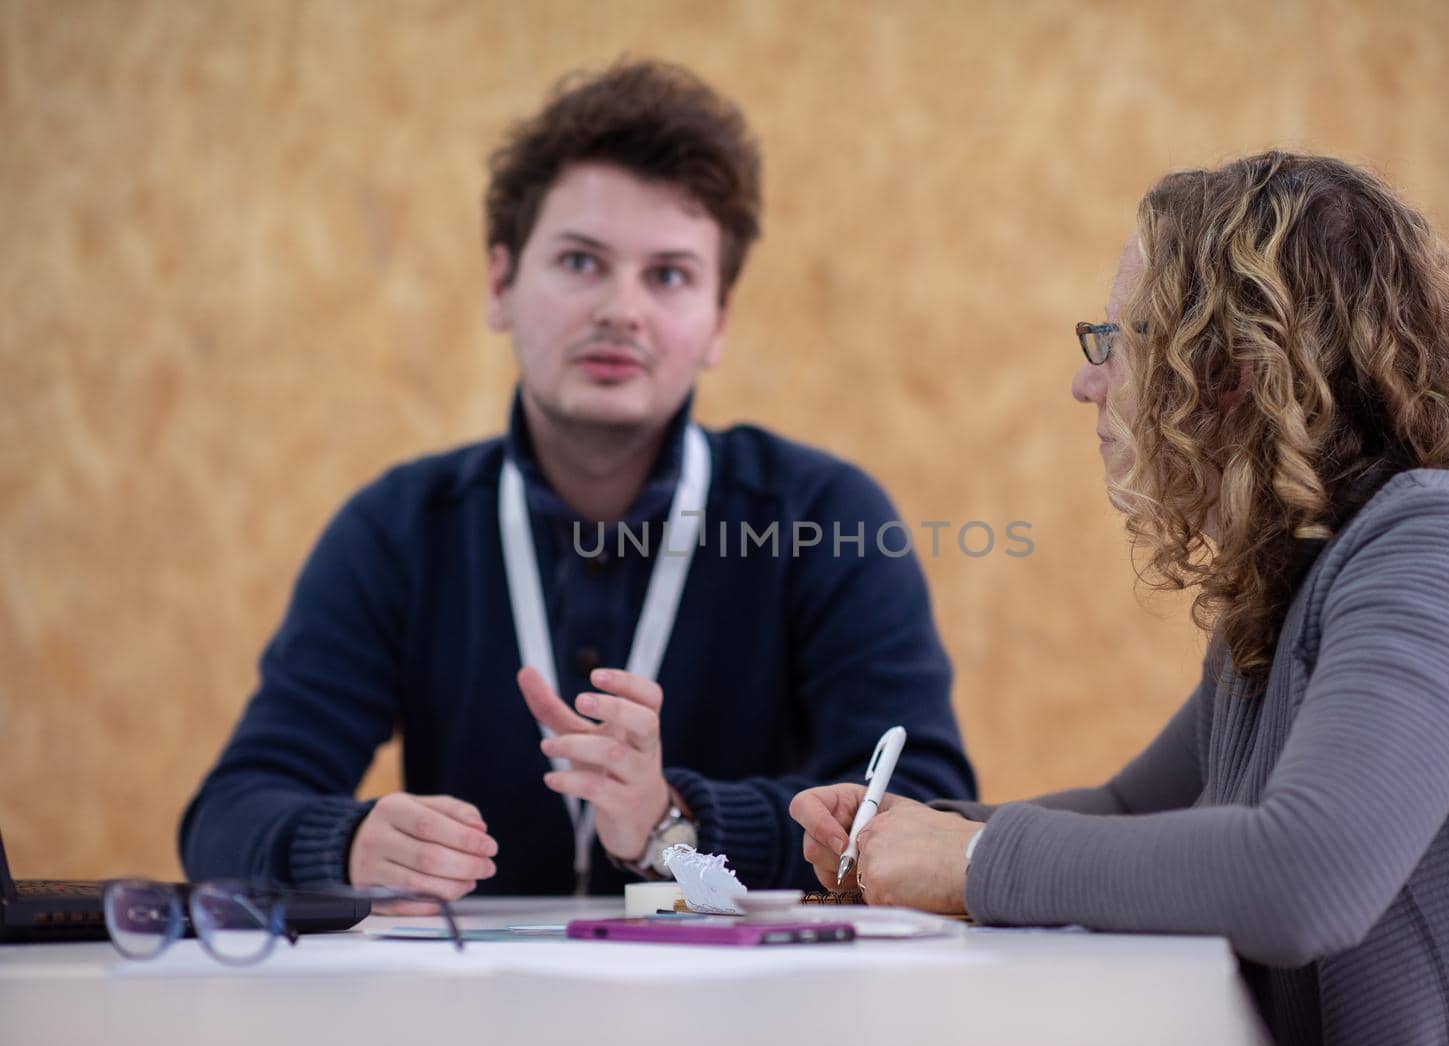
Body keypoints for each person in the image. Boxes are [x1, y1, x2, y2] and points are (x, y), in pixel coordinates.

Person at [792, 152, 1449, 1046]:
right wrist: (901, 832)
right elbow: (1129, 809)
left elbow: (1305, 877)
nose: (1087, 383)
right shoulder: (1299, 569)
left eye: (1116, 339)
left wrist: (972, 864)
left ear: (1233, 367)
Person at [181, 59, 974, 906]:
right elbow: (229, 813)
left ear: (718, 324)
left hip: (748, 1022)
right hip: (476, 1023)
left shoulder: (824, 515)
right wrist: (340, 844)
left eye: (668, 275)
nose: (620, 310)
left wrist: (677, 822)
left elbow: (923, 806)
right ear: (500, 284)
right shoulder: (400, 529)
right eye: (580, 261)